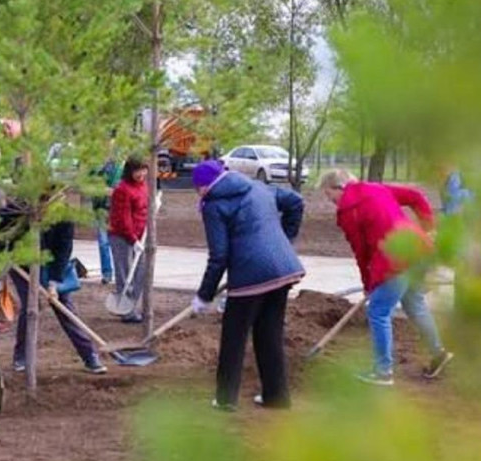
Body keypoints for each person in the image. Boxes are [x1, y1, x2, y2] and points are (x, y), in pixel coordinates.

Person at [318, 169, 454, 386]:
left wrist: (368, 283)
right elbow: (416, 197)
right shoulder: (377, 188)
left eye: (328, 195)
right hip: (419, 251)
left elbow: (361, 252)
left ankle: (383, 372)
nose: (330, 201)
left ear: (338, 187)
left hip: (395, 260)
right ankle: (438, 353)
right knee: (414, 304)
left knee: (378, 311)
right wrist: (429, 228)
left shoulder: (347, 212)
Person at [190, 160, 305, 411]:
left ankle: (225, 399)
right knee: (269, 334)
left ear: (204, 186)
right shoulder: (259, 187)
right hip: (283, 270)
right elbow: (296, 202)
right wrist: (284, 241)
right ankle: (276, 396)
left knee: (234, 336)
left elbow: (219, 256)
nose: (197, 193)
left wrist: (203, 295)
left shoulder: (214, 205)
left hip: (250, 277)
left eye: (197, 188)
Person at [0, 198, 107, 374]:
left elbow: (63, 249)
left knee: (63, 306)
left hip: (52, 264)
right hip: (22, 263)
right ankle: (21, 356)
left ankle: (89, 355)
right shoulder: (18, 208)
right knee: (31, 307)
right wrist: (2, 255)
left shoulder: (64, 215)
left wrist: (53, 283)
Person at [108, 157, 149, 323]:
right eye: (136, 170)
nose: (141, 174)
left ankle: (131, 304)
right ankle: (126, 310)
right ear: (129, 171)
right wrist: (133, 239)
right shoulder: (122, 189)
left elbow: (144, 210)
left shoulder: (144, 186)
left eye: (143, 170)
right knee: (124, 273)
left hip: (140, 236)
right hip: (121, 236)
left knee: (141, 271)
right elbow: (123, 218)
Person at [92, 157, 122, 284]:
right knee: (103, 242)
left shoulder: (120, 168)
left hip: (116, 209)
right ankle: (107, 273)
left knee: (118, 243)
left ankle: (121, 273)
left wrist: (114, 192)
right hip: (101, 209)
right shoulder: (96, 168)